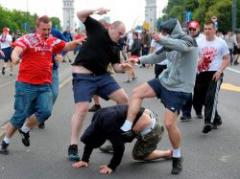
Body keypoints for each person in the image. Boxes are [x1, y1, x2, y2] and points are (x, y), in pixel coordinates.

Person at [120, 18, 198, 175]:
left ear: (171, 31)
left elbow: (182, 47)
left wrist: (162, 38)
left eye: (164, 32)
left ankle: (177, 156)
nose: (162, 34)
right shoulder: (168, 43)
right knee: (137, 92)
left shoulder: (188, 40)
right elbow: (156, 57)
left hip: (180, 88)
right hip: (165, 81)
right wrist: (137, 60)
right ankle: (127, 128)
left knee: (169, 124)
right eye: (162, 33)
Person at [0, 15, 82, 155]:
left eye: (49, 29)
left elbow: (66, 45)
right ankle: (5, 142)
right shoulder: (27, 39)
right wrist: (14, 58)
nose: (47, 32)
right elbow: (17, 50)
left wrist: (77, 42)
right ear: (37, 28)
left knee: (45, 112)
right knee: (20, 115)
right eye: (44, 29)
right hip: (25, 85)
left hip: (44, 85)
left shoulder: (52, 40)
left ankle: (25, 129)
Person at [68, 8, 132, 161]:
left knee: (124, 100)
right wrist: (96, 10)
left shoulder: (115, 46)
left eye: (124, 34)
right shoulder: (97, 28)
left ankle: (115, 137)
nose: (121, 36)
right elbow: (80, 14)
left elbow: (116, 67)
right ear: (111, 28)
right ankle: (73, 145)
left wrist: (123, 67)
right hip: (83, 76)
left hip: (102, 77)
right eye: (120, 33)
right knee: (82, 109)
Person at [72, 105, 172, 175]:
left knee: (138, 155)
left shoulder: (110, 126)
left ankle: (168, 153)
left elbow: (120, 148)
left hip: (153, 127)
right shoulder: (97, 116)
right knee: (119, 136)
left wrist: (111, 166)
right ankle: (118, 140)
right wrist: (84, 160)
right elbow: (90, 140)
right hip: (141, 117)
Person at [192, 21, 230, 133]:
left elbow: (227, 58)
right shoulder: (198, 42)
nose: (207, 31)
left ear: (215, 30)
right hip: (201, 73)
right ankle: (217, 118)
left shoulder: (221, 43)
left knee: (211, 97)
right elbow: (193, 56)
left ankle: (208, 122)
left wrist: (220, 71)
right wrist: (197, 62)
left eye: (209, 29)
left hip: (215, 74)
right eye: (205, 29)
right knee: (201, 98)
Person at [180, 20, 203, 121]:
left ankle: (198, 110)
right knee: (186, 93)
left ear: (198, 29)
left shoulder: (202, 39)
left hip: (199, 71)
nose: (192, 31)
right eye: (190, 29)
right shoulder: (185, 39)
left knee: (198, 94)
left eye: (194, 29)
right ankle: (186, 113)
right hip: (187, 71)